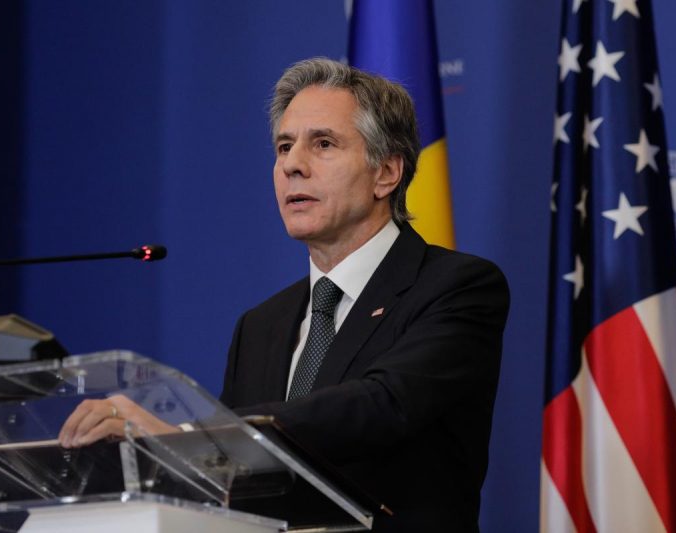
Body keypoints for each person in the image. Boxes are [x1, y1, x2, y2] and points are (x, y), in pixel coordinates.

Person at [60, 58, 509, 532]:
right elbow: (230, 480)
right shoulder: (260, 326)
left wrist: (189, 436)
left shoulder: (456, 286)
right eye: (284, 146)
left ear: (386, 173)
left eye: (323, 144)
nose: (293, 164)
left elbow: (383, 405)